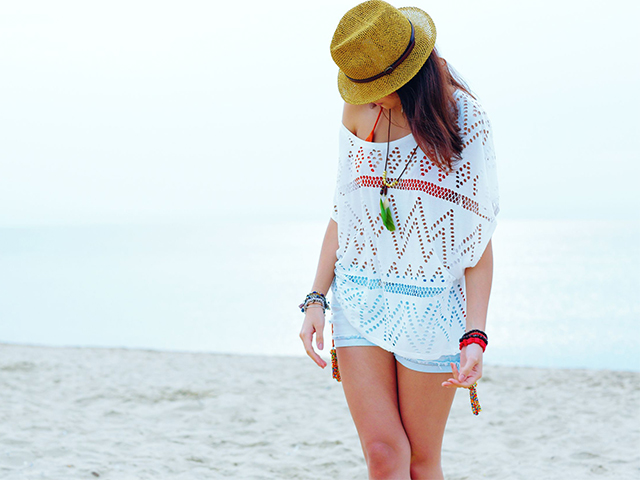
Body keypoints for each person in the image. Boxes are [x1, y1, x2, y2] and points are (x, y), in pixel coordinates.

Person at [299, 1, 499, 479]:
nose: (370, 97)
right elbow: (343, 213)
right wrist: (315, 299)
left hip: (431, 309)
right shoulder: (357, 112)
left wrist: (475, 335)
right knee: (384, 455)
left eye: (377, 87)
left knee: (422, 463)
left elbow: (477, 241)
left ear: (408, 74)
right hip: (358, 297)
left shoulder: (464, 119)